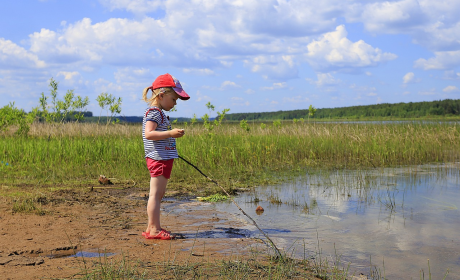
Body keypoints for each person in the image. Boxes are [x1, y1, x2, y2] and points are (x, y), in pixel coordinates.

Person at [141, 73, 190, 240]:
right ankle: (154, 229)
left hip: (163, 158)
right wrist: (170, 133)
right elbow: (149, 134)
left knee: (158, 194)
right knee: (155, 194)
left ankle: (151, 227)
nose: (175, 104)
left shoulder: (159, 113)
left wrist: (169, 135)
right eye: (174, 99)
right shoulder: (154, 113)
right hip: (159, 159)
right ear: (161, 95)